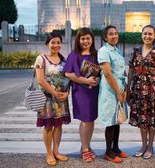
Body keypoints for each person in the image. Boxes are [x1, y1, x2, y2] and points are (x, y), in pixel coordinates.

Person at [127, 25, 155, 159]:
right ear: (141, 35)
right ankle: (143, 145)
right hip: (137, 89)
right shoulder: (135, 51)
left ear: (154, 36)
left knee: (152, 119)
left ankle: (150, 146)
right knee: (142, 119)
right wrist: (128, 89)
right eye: (145, 34)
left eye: (150, 34)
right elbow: (131, 70)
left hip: (152, 89)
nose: (147, 36)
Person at [34, 32, 71, 166]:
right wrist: (54, 93)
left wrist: (67, 93)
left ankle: (56, 151)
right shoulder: (41, 59)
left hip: (61, 99)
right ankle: (49, 153)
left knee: (59, 125)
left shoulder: (65, 61)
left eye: (58, 43)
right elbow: (40, 80)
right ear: (47, 44)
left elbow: (68, 79)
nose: (56, 45)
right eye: (53, 42)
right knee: (48, 126)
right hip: (47, 99)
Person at [63, 27, 99, 162]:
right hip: (81, 92)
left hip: (93, 92)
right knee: (85, 120)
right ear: (78, 40)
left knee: (91, 120)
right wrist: (86, 80)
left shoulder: (96, 54)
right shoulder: (74, 55)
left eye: (88, 38)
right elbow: (68, 73)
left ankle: (87, 146)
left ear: (92, 39)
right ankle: (84, 148)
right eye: (82, 38)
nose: (85, 41)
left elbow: (100, 72)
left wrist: (97, 80)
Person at [97, 25, 128, 163]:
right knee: (110, 121)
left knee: (117, 120)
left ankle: (115, 148)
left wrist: (125, 89)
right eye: (111, 34)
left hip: (120, 89)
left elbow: (123, 72)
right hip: (110, 90)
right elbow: (108, 74)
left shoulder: (117, 51)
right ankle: (108, 152)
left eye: (116, 33)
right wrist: (118, 92)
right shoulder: (104, 51)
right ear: (105, 37)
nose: (114, 36)